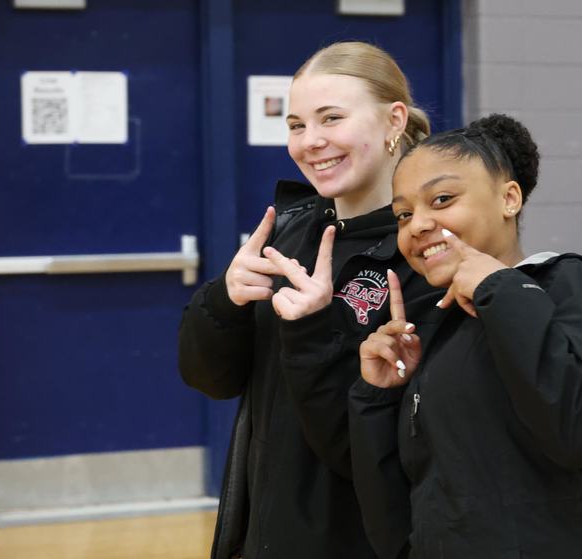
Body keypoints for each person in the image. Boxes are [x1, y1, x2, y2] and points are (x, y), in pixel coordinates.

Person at [178, 41, 439, 559]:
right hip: (268, 529)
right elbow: (209, 379)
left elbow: (386, 442)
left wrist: (315, 327)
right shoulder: (288, 231)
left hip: (367, 537)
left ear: (394, 120)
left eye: (331, 119)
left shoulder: (426, 249)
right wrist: (226, 303)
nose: (311, 142)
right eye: (297, 125)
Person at [349, 114, 582, 558]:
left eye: (441, 199)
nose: (417, 224)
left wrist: (498, 286)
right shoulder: (439, 326)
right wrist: (377, 396)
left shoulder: (566, 284)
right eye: (403, 214)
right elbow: (408, 501)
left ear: (509, 198)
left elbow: (577, 432)